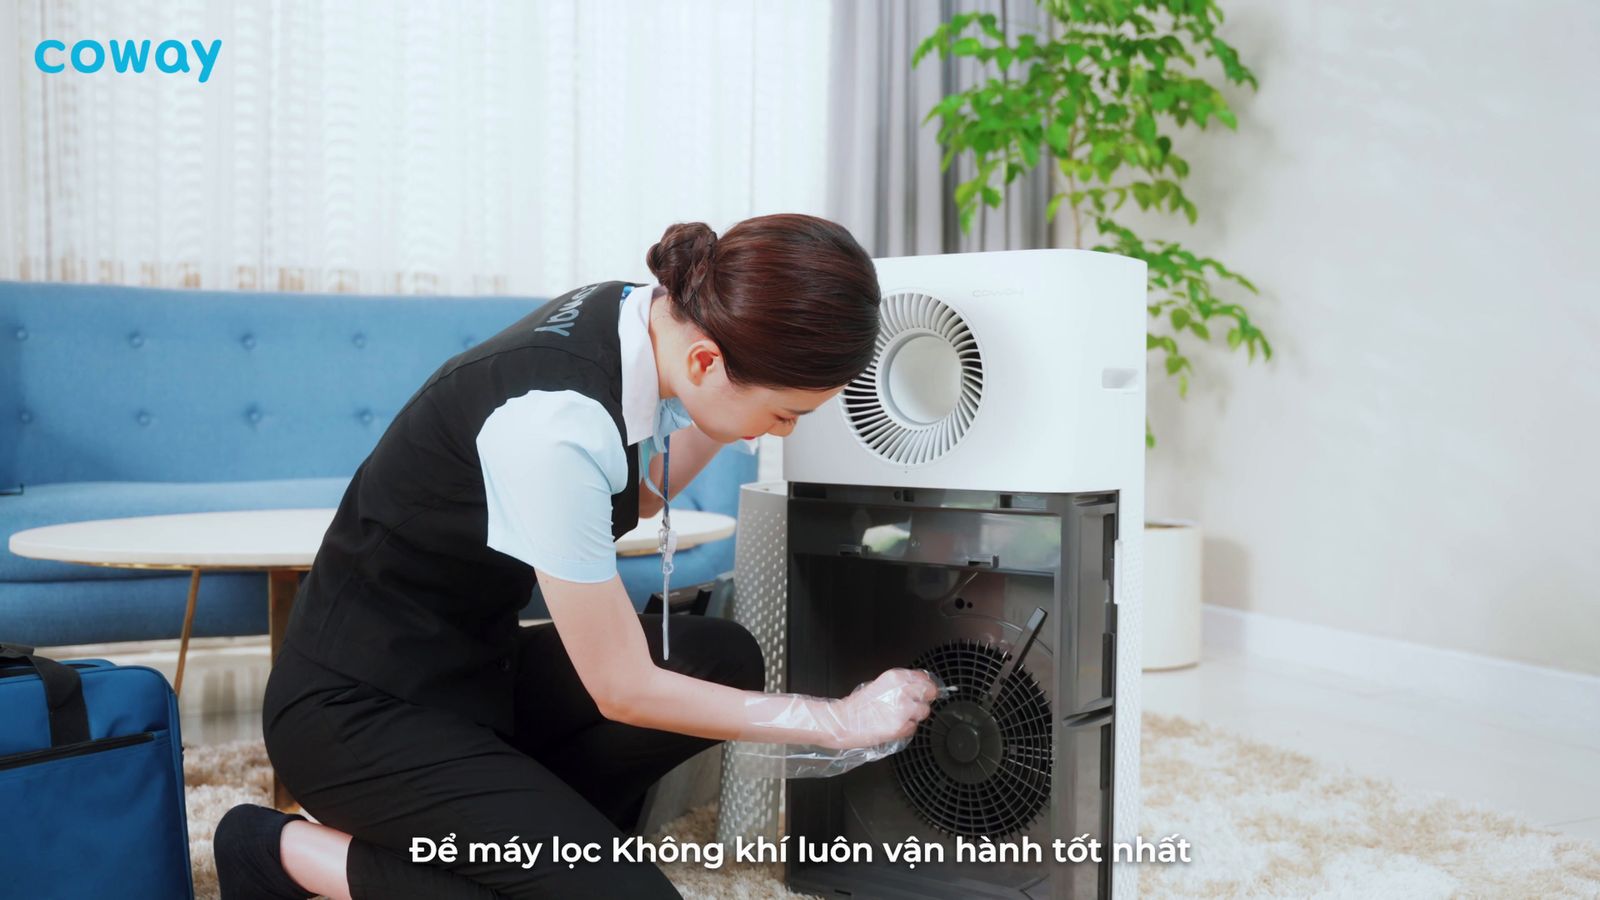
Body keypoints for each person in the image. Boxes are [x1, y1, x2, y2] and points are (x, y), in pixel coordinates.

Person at [212, 213, 940, 899]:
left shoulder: (639, 316)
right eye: (784, 414)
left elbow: (639, 494)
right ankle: (273, 847)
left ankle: (542, 846)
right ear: (706, 358)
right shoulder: (552, 427)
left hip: (474, 675)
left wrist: (726, 415)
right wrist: (837, 722)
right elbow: (620, 689)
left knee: (718, 656)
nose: (774, 434)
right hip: (358, 713)